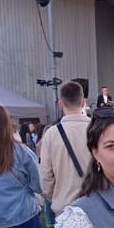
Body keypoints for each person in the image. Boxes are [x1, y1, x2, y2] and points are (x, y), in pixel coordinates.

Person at [40, 80, 91, 219]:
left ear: (60, 103)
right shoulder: (98, 129)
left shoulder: (51, 134)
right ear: (83, 102)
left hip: (65, 207)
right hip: (97, 204)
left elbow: (46, 176)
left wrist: (56, 197)